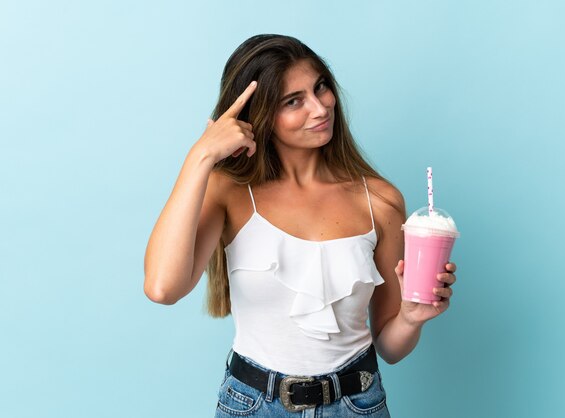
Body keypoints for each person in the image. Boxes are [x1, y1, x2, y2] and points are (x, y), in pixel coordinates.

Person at [143, 34, 458, 417]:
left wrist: (411, 318)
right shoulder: (229, 191)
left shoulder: (381, 200)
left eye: (320, 87)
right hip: (254, 405)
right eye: (294, 101)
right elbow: (162, 288)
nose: (320, 107)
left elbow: (390, 347)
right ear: (259, 116)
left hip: (357, 404)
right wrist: (201, 155)